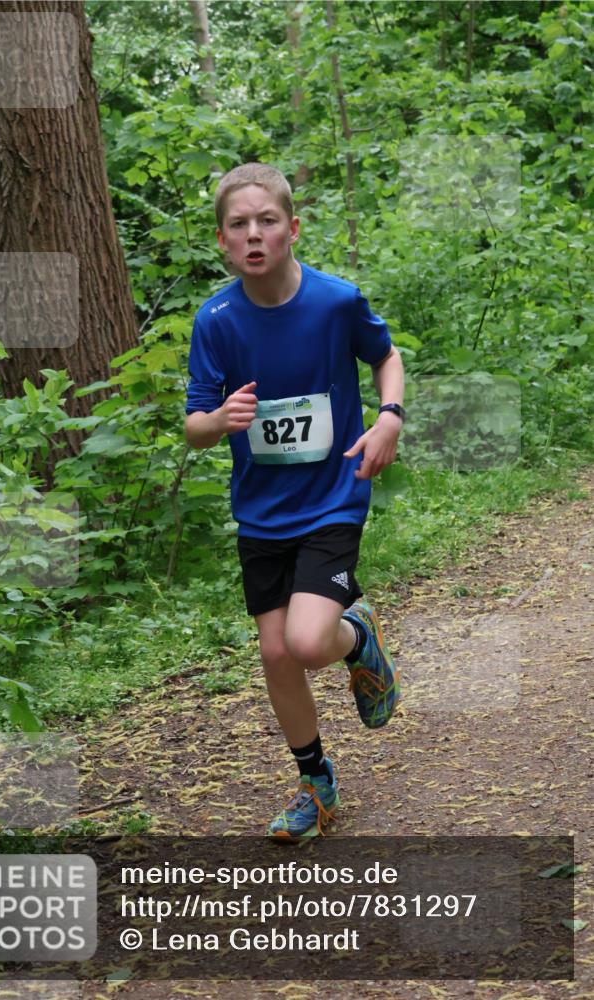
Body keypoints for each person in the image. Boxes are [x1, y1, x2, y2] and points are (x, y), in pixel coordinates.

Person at [184, 163, 405, 841]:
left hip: (334, 497)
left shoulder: (335, 301)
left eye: (267, 221)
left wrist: (388, 416)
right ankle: (314, 784)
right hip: (261, 513)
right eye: (239, 225)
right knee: (276, 655)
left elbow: (385, 355)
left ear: (291, 229)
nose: (254, 235)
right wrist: (220, 419)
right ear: (223, 241)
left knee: (308, 643)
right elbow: (193, 428)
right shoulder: (216, 321)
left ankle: (355, 634)